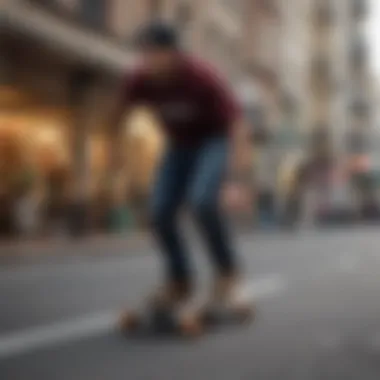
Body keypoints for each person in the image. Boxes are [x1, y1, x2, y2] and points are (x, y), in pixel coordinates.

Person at [112, 22, 248, 311]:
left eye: (153, 53)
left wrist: (235, 179)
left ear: (172, 53)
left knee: (202, 202)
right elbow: (120, 112)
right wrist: (117, 156)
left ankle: (227, 273)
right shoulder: (140, 79)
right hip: (178, 147)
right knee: (159, 211)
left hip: (213, 141)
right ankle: (180, 279)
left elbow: (236, 125)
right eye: (143, 53)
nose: (146, 60)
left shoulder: (201, 77)